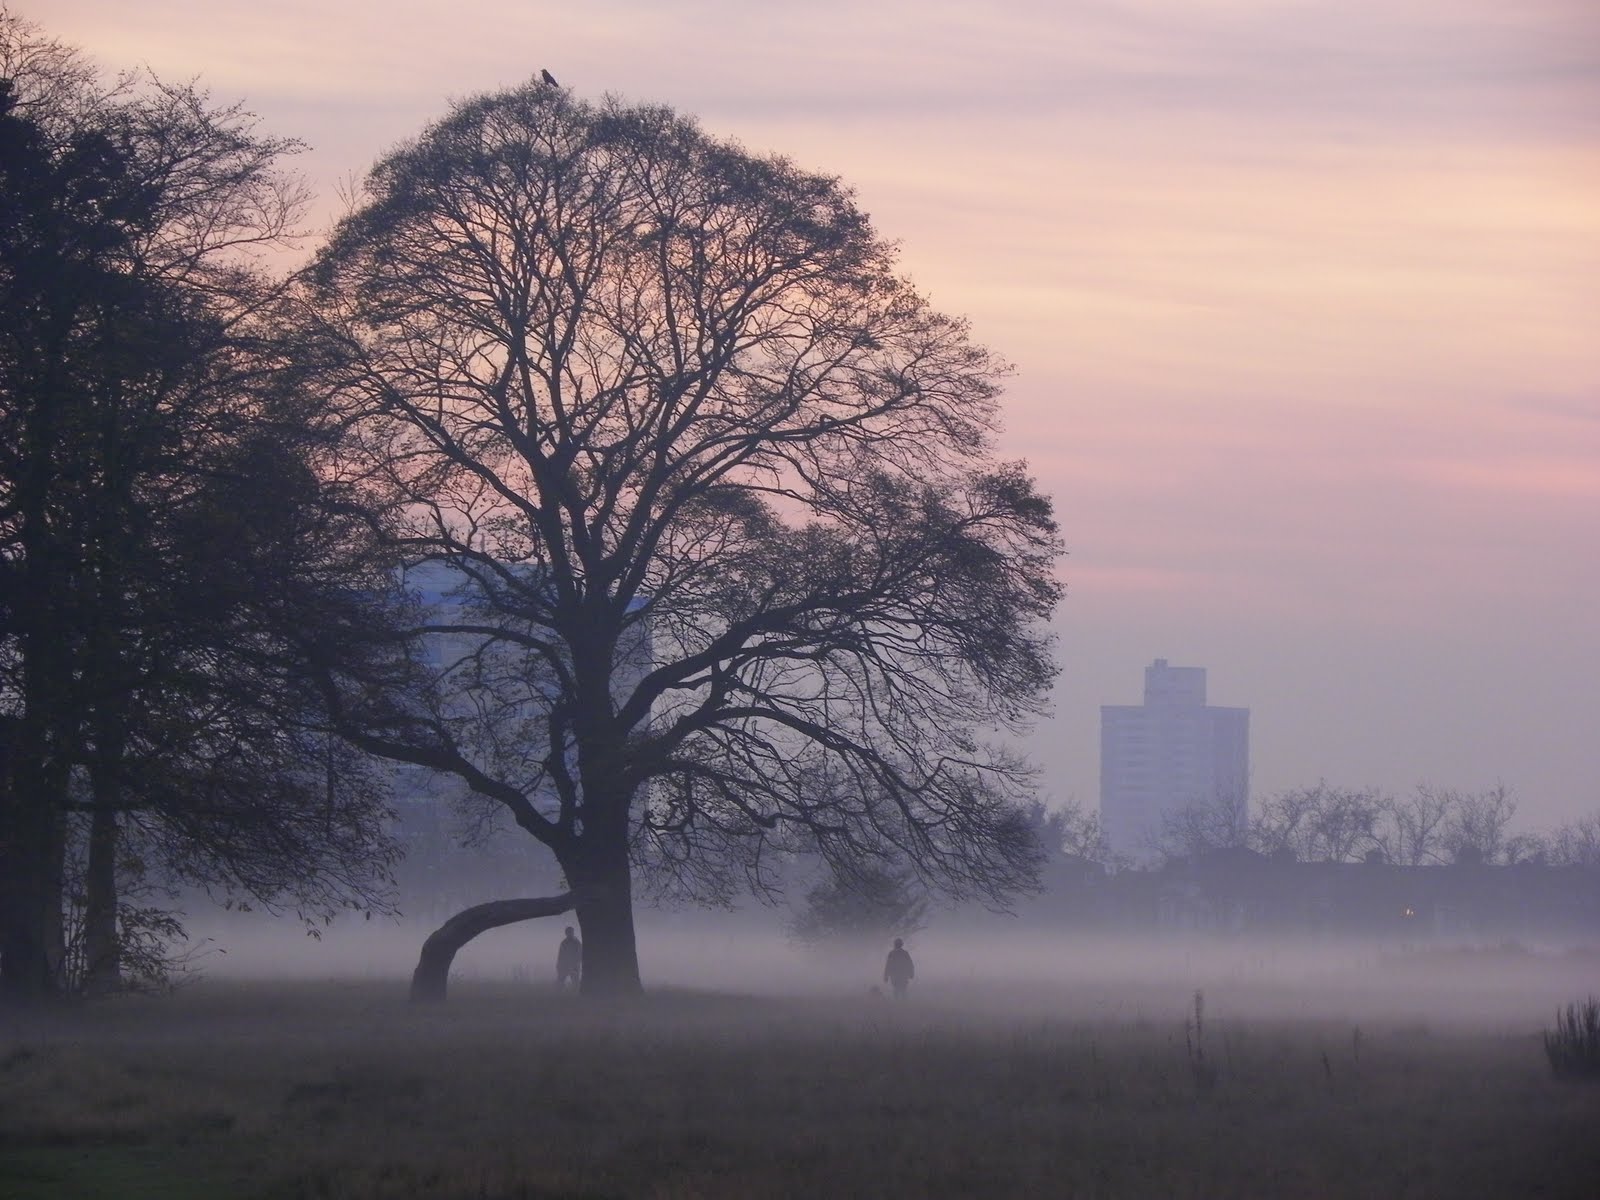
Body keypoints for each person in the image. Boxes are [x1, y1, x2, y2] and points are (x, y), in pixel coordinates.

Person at [555, 925, 582, 990]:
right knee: (560, 981)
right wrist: (558, 964)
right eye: (568, 932)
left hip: (574, 965)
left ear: (572, 932)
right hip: (565, 964)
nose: (569, 933)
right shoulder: (564, 943)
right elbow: (560, 954)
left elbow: (579, 954)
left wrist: (577, 964)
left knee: (575, 982)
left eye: (570, 932)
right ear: (566, 933)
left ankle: (575, 995)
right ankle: (560, 995)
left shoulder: (577, 943)